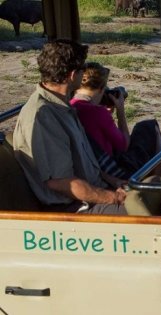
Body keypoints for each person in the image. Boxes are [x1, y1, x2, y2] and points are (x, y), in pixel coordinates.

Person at [13, 40, 127, 215]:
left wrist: (115, 181)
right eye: (83, 69)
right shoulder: (44, 116)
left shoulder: (62, 106)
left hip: (91, 194)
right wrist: (113, 197)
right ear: (73, 75)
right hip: (72, 208)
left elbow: (87, 164)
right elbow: (60, 182)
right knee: (147, 213)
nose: (85, 74)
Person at [70, 62, 161, 179]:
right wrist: (120, 112)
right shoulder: (98, 112)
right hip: (113, 168)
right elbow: (124, 145)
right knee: (149, 127)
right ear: (101, 89)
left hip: (86, 165)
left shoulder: (70, 106)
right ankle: (155, 184)